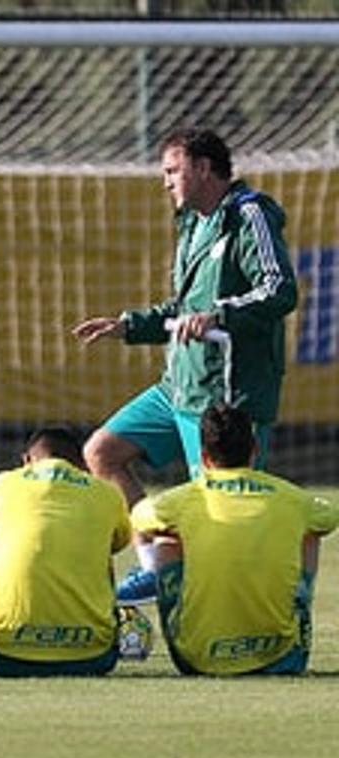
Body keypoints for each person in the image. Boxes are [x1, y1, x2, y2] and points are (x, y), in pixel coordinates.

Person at [72, 128, 298, 604]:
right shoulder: (193, 225)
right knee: (102, 453)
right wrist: (128, 326)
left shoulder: (249, 213)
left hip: (227, 398)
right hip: (177, 387)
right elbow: (183, 309)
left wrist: (221, 316)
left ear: (203, 168)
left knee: (221, 518)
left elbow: (280, 290)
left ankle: (254, 610)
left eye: (172, 170)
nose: (165, 182)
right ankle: (155, 567)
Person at [129, 403, 336, 676]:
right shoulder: (291, 498)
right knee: (310, 534)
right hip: (282, 658)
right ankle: (290, 627)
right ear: (255, 451)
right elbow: (329, 518)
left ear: (203, 457)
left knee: (168, 541)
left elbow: (138, 517)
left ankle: (176, 614)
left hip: (198, 660)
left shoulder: (182, 499)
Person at [0, 427, 136, 679]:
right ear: (82, 465)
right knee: (99, 542)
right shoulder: (106, 493)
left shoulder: (0, 483)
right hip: (94, 658)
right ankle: (91, 627)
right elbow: (119, 541)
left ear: (26, 461)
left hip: (6, 656)